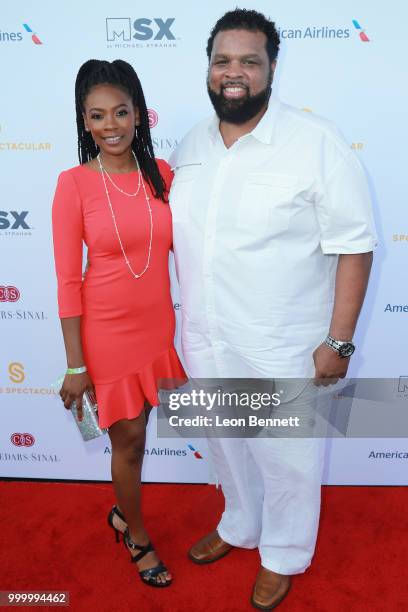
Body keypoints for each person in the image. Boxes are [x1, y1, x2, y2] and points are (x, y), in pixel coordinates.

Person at [169, 9, 376, 609]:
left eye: (249, 61)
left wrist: (338, 343)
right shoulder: (192, 144)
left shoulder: (316, 143)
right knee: (226, 443)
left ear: (272, 69)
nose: (234, 73)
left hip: (281, 342)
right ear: (209, 68)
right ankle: (240, 524)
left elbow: (354, 246)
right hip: (206, 335)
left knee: (286, 456)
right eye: (222, 60)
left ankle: (284, 552)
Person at [52, 59, 185, 588]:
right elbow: (66, 281)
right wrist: (75, 363)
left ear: (139, 116)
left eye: (121, 112)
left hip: (156, 330)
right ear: (84, 122)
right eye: (97, 115)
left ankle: (120, 512)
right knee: (127, 440)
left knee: (142, 433)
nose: (111, 125)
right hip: (104, 335)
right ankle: (137, 534)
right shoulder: (74, 184)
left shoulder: (164, 176)